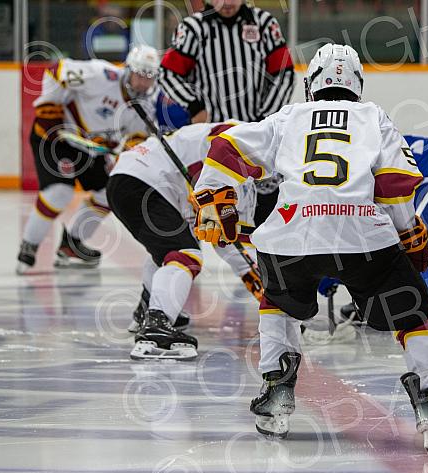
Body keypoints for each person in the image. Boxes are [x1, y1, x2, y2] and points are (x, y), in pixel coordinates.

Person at [191, 43, 428, 453]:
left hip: (289, 231)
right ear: (358, 85)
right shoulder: (372, 115)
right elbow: (395, 180)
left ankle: (276, 392)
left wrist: (210, 196)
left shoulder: (289, 116)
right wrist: (407, 232)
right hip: (362, 234)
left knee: (279, 302)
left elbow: (225, 147)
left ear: (310, 84)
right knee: (416, 315)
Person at [108, 122, 263, 360]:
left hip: (134, 179)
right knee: (184, 252)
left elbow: (230, 243)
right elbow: (221, 138)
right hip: (143, 180)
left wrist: (267, 292)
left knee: (171, 251)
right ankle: (156, 326)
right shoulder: (246, 136)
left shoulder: (243, 170)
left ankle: (148, 307)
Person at [314, 135, 428, 352]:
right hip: (424, 180)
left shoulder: (350, 161)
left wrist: (330, 269)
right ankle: (380, 301)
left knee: (410, 252)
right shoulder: (348, 153)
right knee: (393, 249)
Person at [16, 45, 160, 274]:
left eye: (150, 76)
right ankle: (30, 244)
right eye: (140, 74)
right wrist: (49, 109)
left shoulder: (147, 104)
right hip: (57, 138)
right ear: (128, 69)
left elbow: (137, 138)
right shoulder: (99, 75)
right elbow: (56, 71)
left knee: (110, 193)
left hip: (92, 149)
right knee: (59, 192)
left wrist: (127, 156)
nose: (144, 82)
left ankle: (71, 245)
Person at [158, 0, 295, 229]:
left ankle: (265, 263)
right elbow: (169, 73)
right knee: (220, 214)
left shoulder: (263, 23)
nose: (227, 2)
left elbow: (284, 73)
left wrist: (266, 117)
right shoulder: (194, 28)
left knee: (266, 212)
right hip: (214, 138)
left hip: (257, 134)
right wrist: (195, 107)